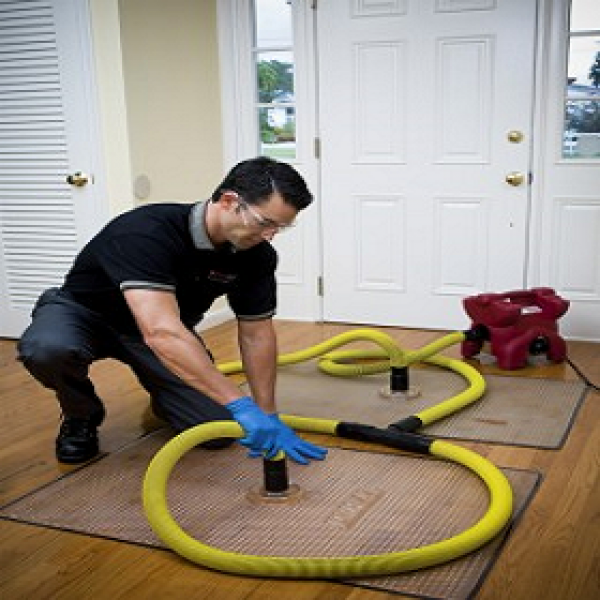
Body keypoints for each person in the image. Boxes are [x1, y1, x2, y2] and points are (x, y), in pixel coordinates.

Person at [17, 157, 327, 466]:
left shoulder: (256, 256)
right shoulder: (145, 232)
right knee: (47, 348)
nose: (270, 235)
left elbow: (256, 335)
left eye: (281, 227)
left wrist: (266, 412)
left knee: (216, 431)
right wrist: (242, 405)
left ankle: (167, 397)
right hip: (84, 315)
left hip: (159, 330)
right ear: (229, 201)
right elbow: (161, 331)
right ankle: (80, 415)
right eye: (264, 222)